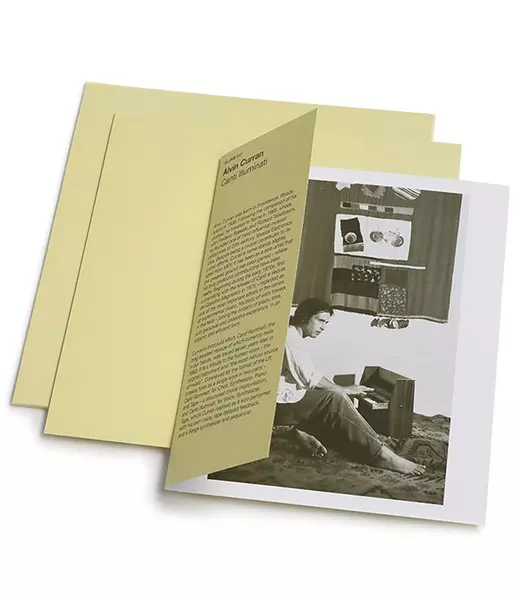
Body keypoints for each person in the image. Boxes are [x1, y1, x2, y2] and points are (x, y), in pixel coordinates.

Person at [274, 298, 425, 475]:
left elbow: (307, 375)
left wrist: (339, 388)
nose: (323, 327)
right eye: (320, 321)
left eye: (326, 323)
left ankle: (369, 442)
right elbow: (310, 378)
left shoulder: (292, 334)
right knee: (334, 398)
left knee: (330, 399)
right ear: (305, 317)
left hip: (282, 399)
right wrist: (343, 389)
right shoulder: (290, 337)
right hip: (277, 406)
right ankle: (383, 455)